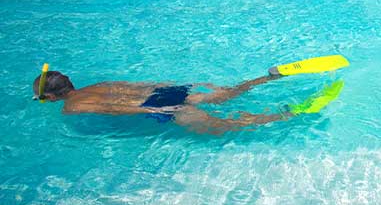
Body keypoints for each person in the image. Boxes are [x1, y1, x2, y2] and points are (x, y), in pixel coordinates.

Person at [32, 70, 292, 135]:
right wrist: (174, 89)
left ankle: (281, 116)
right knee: (227, 94)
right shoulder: (97, 85)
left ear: (51, 97)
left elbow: (112, 108)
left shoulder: (71, 108)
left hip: (155, 106)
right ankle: (265, 78)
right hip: (164, 92)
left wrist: (154, 109)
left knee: (220, 127)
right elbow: (137, 86)